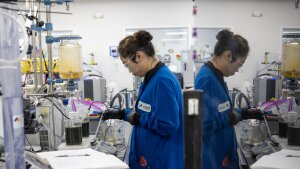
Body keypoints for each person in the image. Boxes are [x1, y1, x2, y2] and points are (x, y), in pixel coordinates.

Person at [103, 30, 184, 169]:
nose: (129, 70)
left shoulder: (162, 80)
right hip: (149, 159)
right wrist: (122, 114)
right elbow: (148, 113)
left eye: (127, 65)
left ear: (138, 56)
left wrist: (139, 118)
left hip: (160, 161)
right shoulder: (150, 78)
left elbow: (168, 124)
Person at [194, 30, 263, 169]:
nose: (238, 70)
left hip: (223, 157)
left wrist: (242, 113)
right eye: (240, 64)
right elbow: (202, 125)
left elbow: (221, 111)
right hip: (214, 160)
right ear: (228, 55)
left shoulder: (217, 76)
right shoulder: (207, 79)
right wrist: (231, 118)